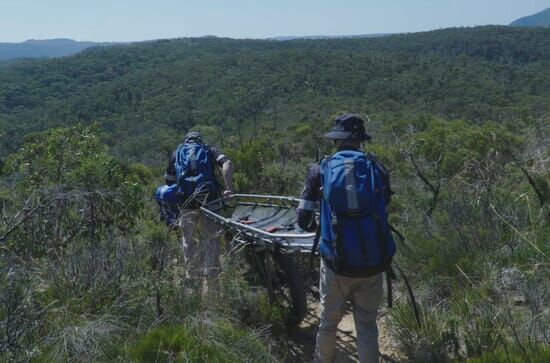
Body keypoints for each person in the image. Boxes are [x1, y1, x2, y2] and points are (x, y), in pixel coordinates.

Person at [297, 114, 394, 363]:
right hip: (373, 262)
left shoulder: (319, 170)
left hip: (335, 263)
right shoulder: (377, 168)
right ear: (361, 141)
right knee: (367, 325)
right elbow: (385, 208)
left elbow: (302, 220)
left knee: (328, 321)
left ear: (335, 141)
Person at [163, 131, 234, 283]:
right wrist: (228, 188)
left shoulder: (177, 153)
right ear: (200, 140)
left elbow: (168, 181)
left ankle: (192, 275)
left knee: (188, 239)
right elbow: (227, 163)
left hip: (186, 202)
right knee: (212, 238)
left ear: (186, 140)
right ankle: (212, 274)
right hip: (210, 200)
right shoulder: (209, 150)